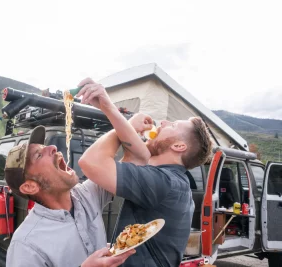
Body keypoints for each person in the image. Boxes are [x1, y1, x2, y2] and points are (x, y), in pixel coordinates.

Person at [77, 78, 213, 267]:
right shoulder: (175, 181)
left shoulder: (164, 182)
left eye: (173, 125)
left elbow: (90, 162)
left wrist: (113, 111)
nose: (164, 122)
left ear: (179, 146)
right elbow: (138, 156)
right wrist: (111, 112)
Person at [4, 125, 135, 267]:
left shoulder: (85, 194)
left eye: (45, 146)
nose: (53, 147)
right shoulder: (25, 245)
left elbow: (130, 164)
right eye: (39, 155)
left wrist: (128, 125)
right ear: (30, 187)